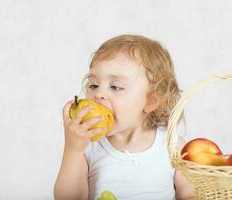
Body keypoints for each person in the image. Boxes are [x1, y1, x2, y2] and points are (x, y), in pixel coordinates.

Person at [54, 34, 194, 200]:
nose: (99, 94)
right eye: (93, 85)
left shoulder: (173, 146)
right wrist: (73, 149)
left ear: (151, 101)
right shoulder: (88, 147)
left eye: (115, 87)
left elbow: (191, 195)